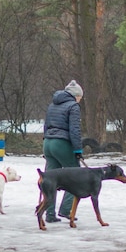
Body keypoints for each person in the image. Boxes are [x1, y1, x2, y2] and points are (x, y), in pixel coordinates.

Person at [42, 80, 84, 223]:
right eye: (80, 97)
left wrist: (46, 144)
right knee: (76, 176)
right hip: (62, 143)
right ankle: (66, 209)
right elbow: (75, 130)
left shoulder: (52, 104)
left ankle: (49, 213)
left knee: (50, 179)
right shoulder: (73, 106)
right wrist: (78, 149)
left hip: (48, 142)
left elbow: (46, 125)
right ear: (76, 95)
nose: (80, 100)